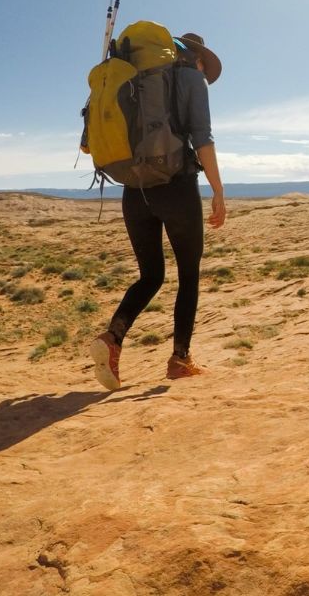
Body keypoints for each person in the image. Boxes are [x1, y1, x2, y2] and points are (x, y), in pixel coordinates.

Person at [90, 32, 226, 389]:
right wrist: (218, 191)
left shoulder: (134, 79)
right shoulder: (190, 78)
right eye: (203, 66)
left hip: (134, 190)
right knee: (189, 274)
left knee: (150, 275)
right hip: (176, 187)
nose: (204, 72)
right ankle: (180, 359)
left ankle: (112, 339)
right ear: (195, 58)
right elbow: (203, 137)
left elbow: (89, 143)